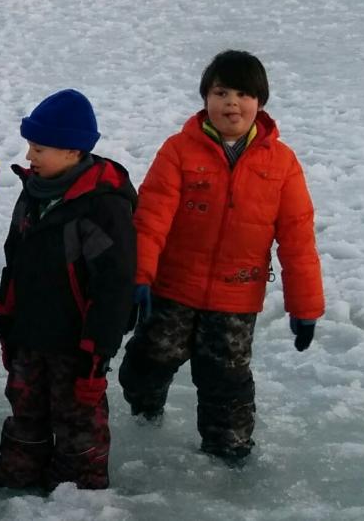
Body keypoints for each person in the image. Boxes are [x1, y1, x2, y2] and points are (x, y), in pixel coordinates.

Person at [117, 50, 323, 467]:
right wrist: (139, 277)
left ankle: (229, 455)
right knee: (149, 362)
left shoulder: (281, 163)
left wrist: (305, 307)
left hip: (235, 296)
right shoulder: (179, 150)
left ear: (260, 102)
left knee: (226, 381)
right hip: (174, 288)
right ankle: (145, 411)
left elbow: (298, 239)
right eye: (221, 92)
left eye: (243, 94)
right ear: (206, 98)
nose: (232, 103)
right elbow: (151, 220)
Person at [0, 89, 136, 491]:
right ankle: (20, 469)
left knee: (77, 416)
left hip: (75, 342)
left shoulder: (102, 206)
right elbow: (14, 261)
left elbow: (114, 285)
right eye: (30, 146)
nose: (29, 156)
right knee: (25, 405)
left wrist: (97, 351)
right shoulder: (33, 192)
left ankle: (78, 488)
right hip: (30, 330)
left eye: (39, 148)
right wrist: (8, 324)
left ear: (72, 151)